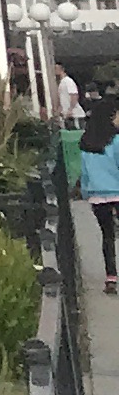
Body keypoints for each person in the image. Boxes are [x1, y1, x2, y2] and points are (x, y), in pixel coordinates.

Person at [81, 104, 119, 295]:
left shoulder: (86, 143)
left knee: (108, 235)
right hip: (117, 189)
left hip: (97, 194)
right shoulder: (116, 141)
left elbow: (84, 173)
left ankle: (111, 276)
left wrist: (85, 192)